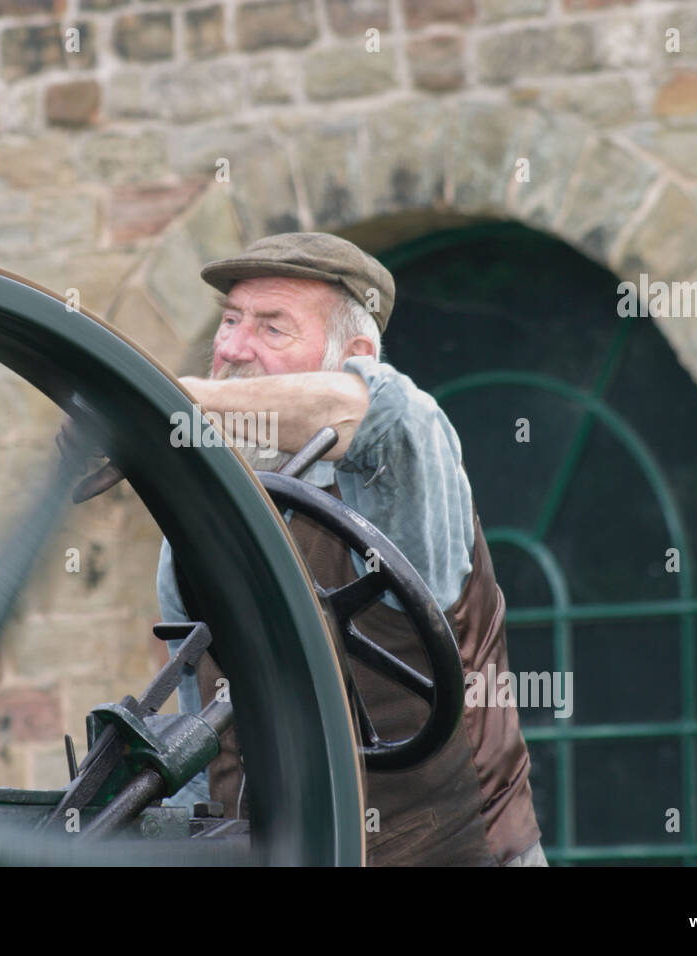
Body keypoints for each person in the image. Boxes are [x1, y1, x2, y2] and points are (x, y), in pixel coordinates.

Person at [155, 232, 546, 866]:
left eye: (271, 328)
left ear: (355, 356)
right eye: (230, 320)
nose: (228, 347)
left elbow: (382, 412)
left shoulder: (406, 459)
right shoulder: (202, 526)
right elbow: (198, 740)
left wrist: (176, 403)